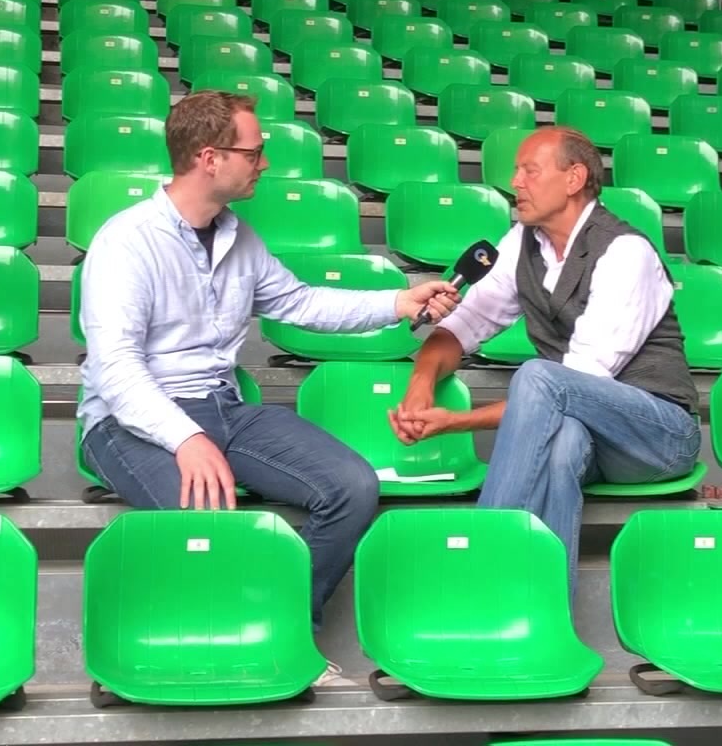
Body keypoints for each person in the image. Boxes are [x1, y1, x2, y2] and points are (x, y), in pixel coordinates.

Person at [77, 90, 460, 645]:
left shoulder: (240, 237)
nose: (265, 163)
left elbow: (300, 303)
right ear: (210, 158)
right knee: (212, 528)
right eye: (254, 152)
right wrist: (186, 438)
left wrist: (398, 302)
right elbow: (116, 369)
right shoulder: (127, 242)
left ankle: (282, 626)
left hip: (223, 408)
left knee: (352, 487)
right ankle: (235, 642)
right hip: (128, 424)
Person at [390, 126, 700, 578]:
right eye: (516, 171)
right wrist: (421, 385)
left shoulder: (624, 251)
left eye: (529, 171)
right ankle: (544, 606)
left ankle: (481, 564)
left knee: (538, 375)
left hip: (660, 434)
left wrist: (455, 421)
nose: (515, 182)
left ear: (574, 178)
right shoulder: (521, 242)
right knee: (562, 446)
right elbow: (464, 325)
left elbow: (577, 380)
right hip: (591, 434)